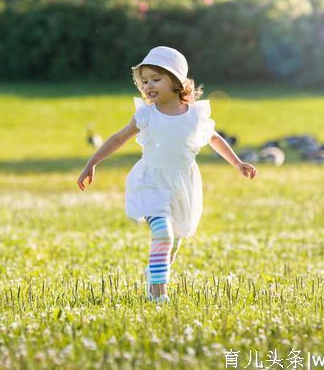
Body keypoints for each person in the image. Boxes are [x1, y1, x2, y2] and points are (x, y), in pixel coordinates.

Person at [77, 46, 257, 303]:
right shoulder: (146, 115)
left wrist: (238, 163)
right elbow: (118, 139)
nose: (148, 85)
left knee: (175, 240)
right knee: (163, 233)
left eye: (156, 79)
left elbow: (214, 139)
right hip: (152, 181)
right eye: (144, 81)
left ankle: (155, 272)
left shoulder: (195, 115)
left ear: (176, 81)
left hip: (182, 184)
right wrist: (91, 163)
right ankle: (158, 294)